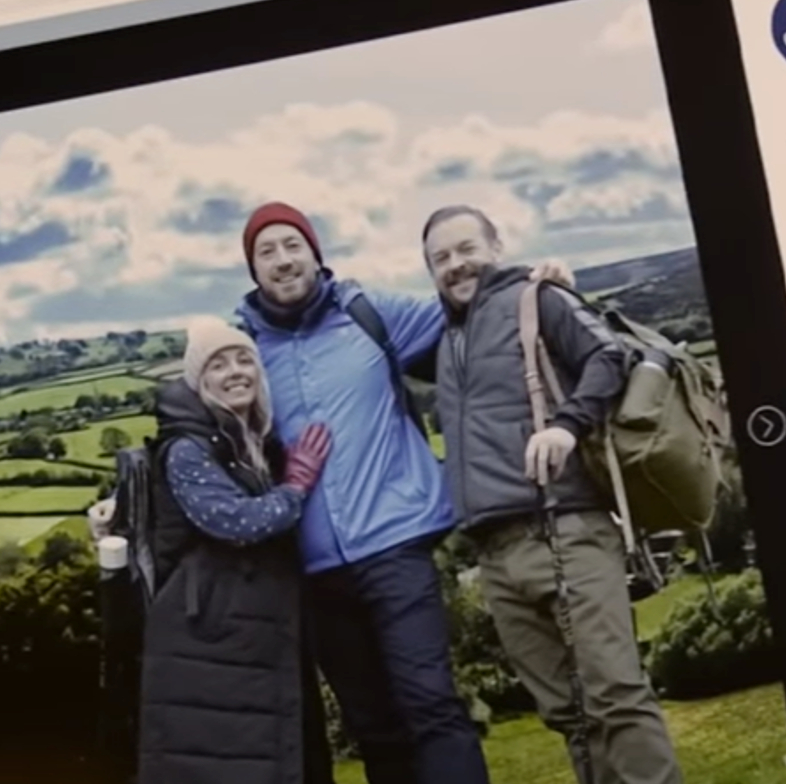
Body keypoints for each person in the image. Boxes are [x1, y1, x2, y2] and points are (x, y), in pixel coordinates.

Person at [231, 202, 574, 784]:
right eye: (267, 251)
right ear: (253, 270)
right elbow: (196, 423)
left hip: (396, 545)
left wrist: (537, 286)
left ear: (316, 253)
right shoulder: (242, 351)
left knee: (430, 705)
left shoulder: (370, 313)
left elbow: (474, 304)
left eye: (293, 245)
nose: (283, 260)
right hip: (312, 569)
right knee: (373, 727)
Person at [423, 204, 683, 784]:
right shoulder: (446, 339)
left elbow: (608, 355)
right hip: (494, 555)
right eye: (440, 258)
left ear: (496, 247)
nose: (456, 265)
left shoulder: (538, 299)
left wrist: (566, 424)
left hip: (564, 526)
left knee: (616, 694)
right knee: (570, 715)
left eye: (467, 248)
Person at [136, 317, 336, 784]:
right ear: (198, 381)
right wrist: (296, 488)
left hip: (252, 628)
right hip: (209, 635)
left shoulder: (249, 443)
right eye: (218, 365)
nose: (235, 371)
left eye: (244, 359)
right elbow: (235, 523)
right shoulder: (187, 449)